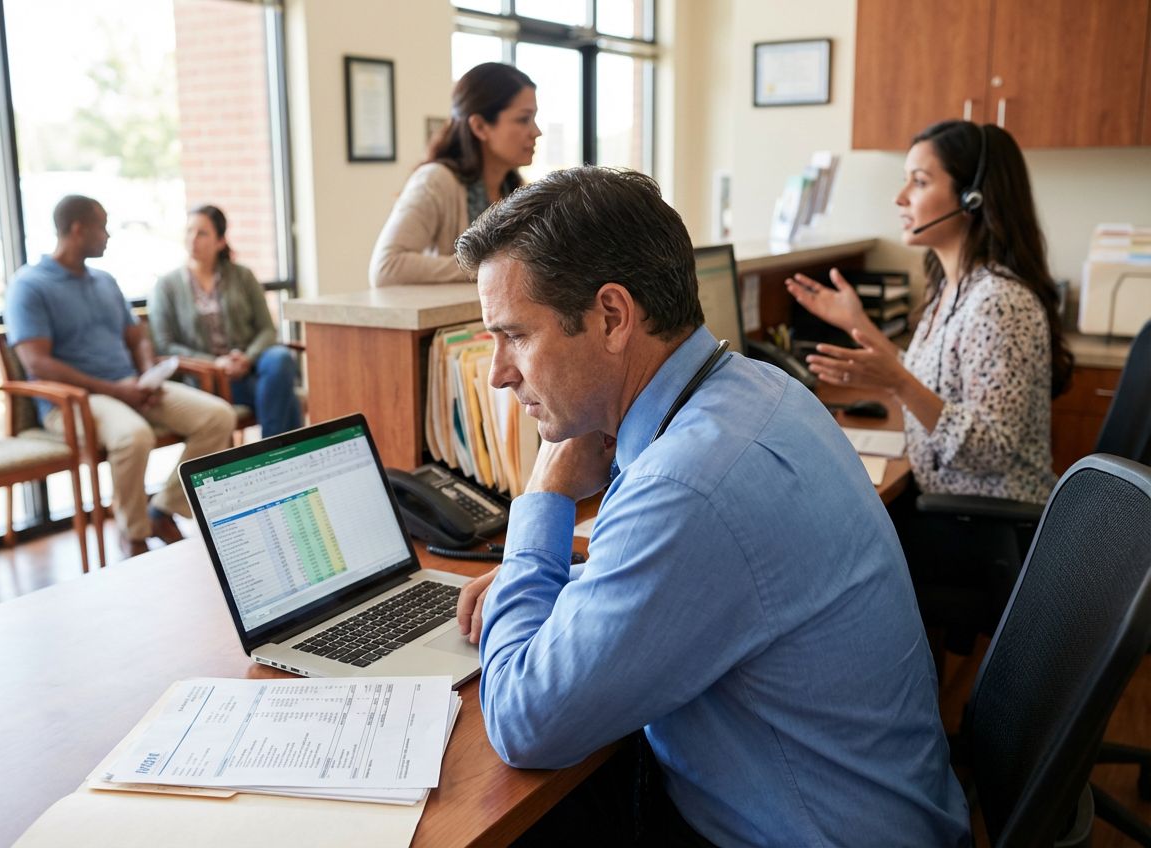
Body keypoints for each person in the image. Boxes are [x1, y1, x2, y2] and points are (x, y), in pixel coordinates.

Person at [452, 167, 970, 846]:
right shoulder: (762, 391)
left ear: (613, 316)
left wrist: (543, 499)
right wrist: (565, 579)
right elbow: (701, 579)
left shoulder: (686, 486)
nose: (498, 372)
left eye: (514, 335)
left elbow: (524, 723)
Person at [784, 122, 1073, 649]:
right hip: (959, 507)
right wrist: (859, 324)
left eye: (918, 181)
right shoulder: (953, 291)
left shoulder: (997, 302)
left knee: (829, 542)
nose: (900, 197)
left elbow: (991, 450)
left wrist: (894, 381)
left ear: (971, 197)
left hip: (991, 529)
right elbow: (930, 380)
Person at [5, 195, 237, 559]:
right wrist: (115, 390)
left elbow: (136, 336)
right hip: (75, 399)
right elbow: (38, 364)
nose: (108, 235)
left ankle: (162, 509)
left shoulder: (105, 281)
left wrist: (147, 374)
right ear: (78, 230)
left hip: (131, 387)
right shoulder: (30, 286)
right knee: (133, 436)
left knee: (219, 416)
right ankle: (134, 535)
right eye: (102, 226)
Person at [368, 62, 540, 287]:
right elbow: (386, 267)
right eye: (523, 119)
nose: (536, 131)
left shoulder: (515, 190)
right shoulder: (436, 180)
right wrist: (489, 266)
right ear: (479, 126)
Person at [148, 204, 303, 438]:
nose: (192, 239)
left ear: (220, 241)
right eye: (189, 231)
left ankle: (271, 456)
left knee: (280, 358)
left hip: (252, 364)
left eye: (202, 233)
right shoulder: (166, 286)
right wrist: (216, 363)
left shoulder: (242, 275)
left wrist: (246, 358)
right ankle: (277, 456)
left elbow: (266, 329)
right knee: (282, 393)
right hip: (208, 377)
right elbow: (164, 345)